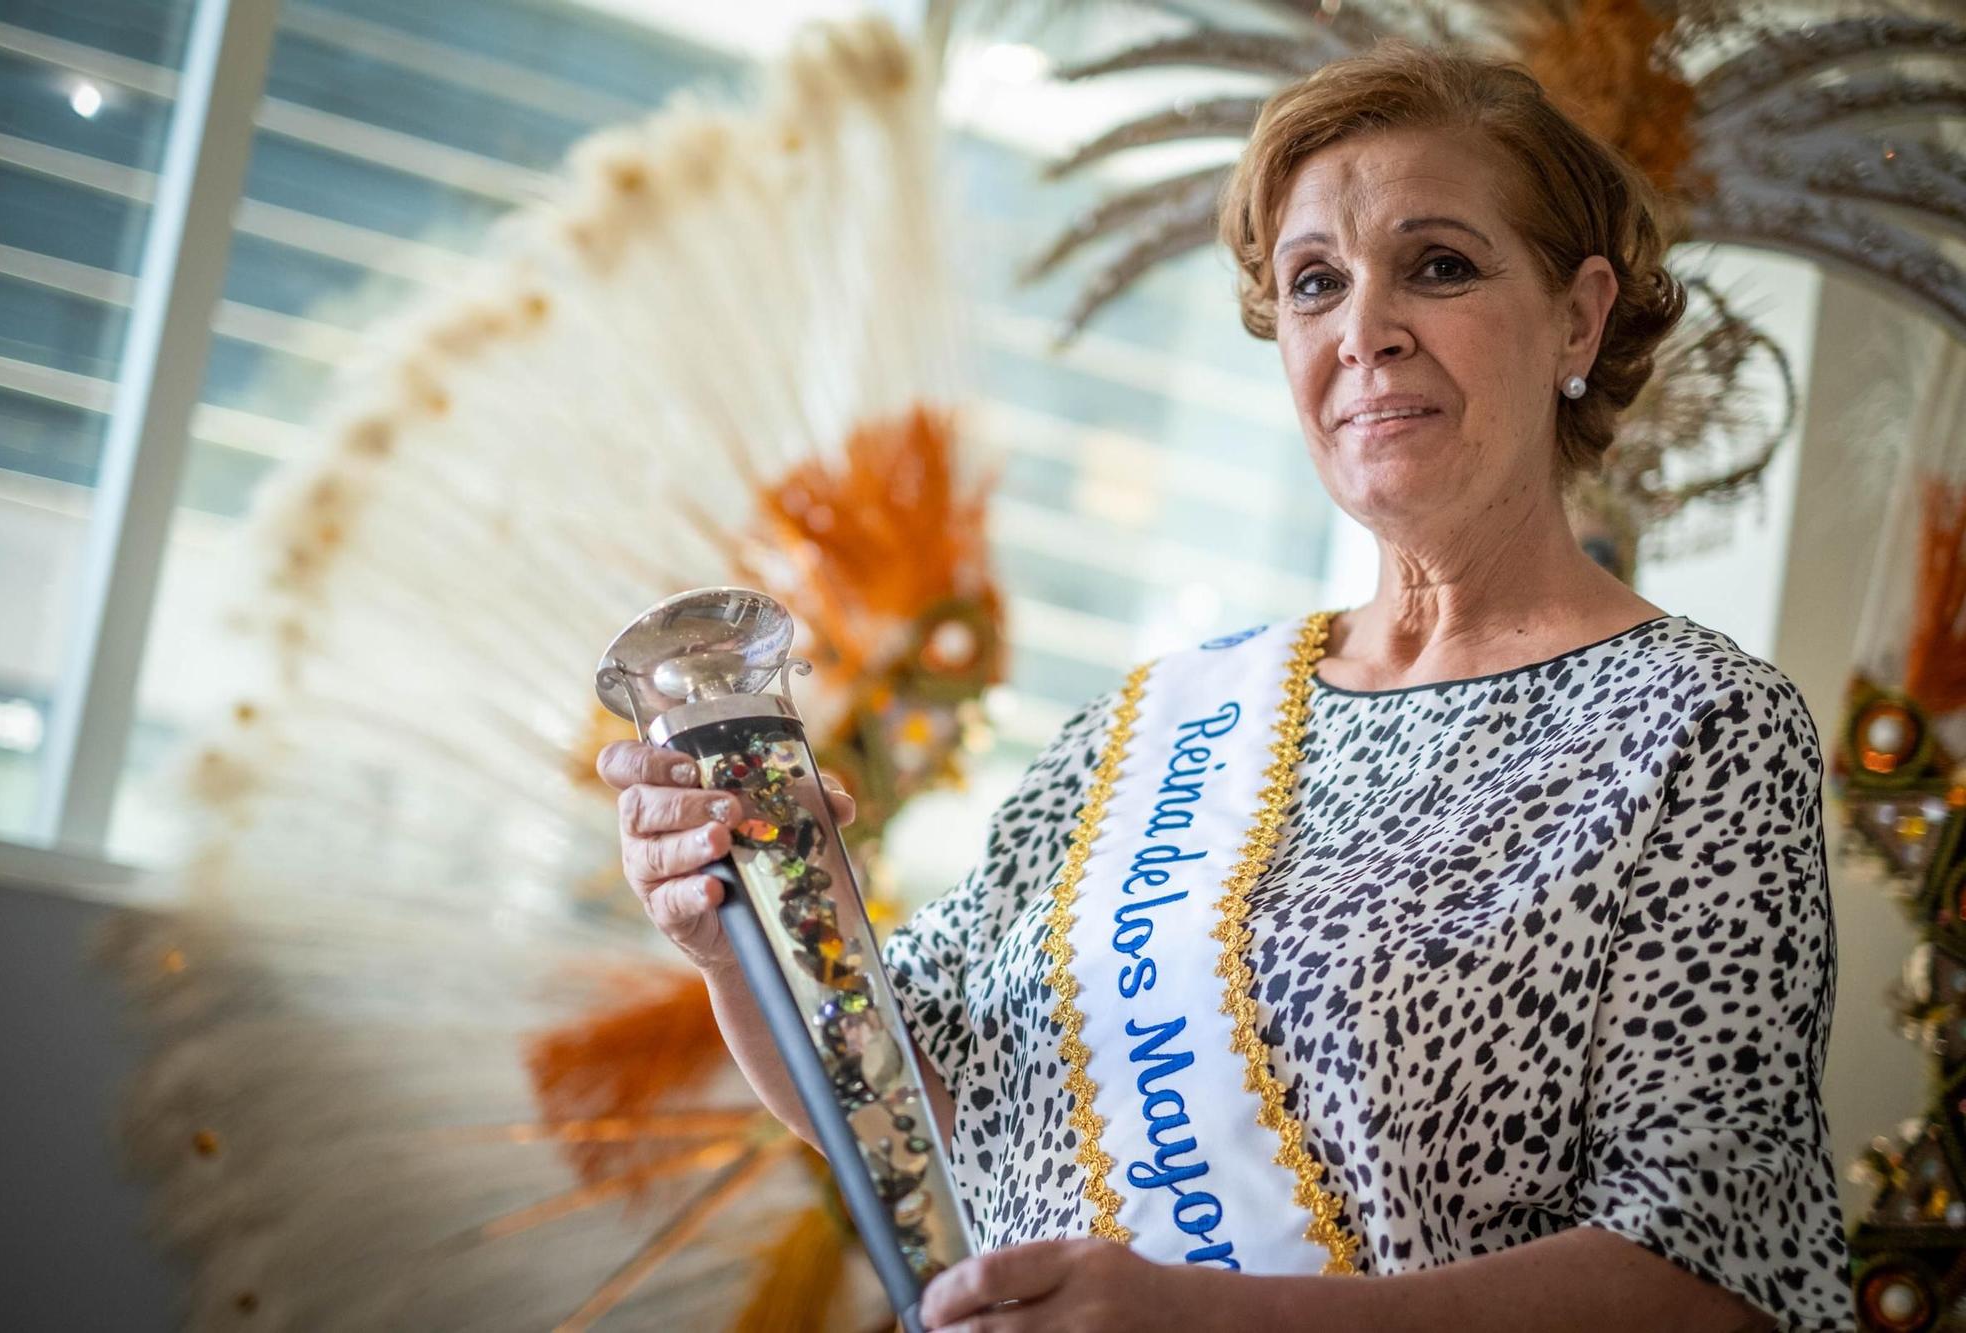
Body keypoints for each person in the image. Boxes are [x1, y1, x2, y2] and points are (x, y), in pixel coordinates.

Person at [597, 42, 1853, 1333]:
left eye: (1438, 264)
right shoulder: (1158, 719)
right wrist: (733, 934)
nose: (1365, 329)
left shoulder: (1693, 725)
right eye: (1317, 283)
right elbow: (917, 1103)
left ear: (1578, 317)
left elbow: (1712, 1276)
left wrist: (1216, 1319)